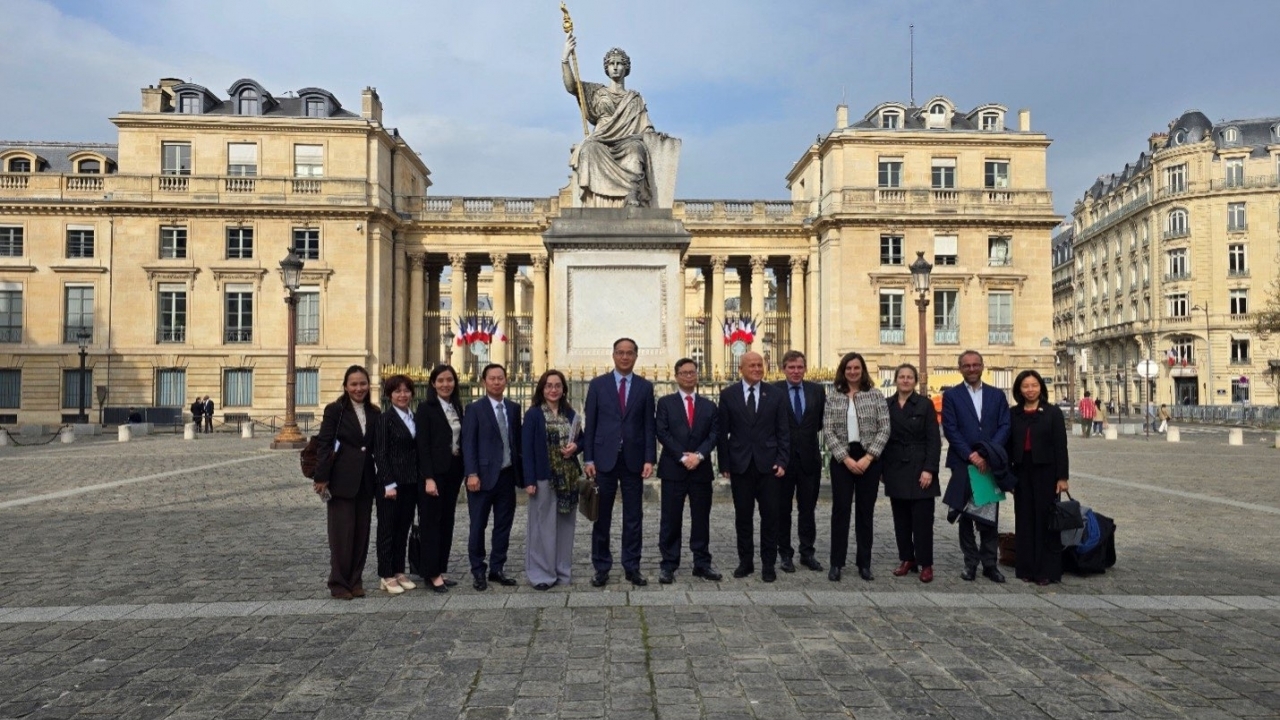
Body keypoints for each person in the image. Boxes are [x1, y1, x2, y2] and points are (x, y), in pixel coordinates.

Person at [583, 338, 656, 587]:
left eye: (629, 353)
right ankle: (601, 567)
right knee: (601, 517)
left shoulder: (645, 387)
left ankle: (632, 566)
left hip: (633, 460)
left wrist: (649, 458)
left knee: (633, 517)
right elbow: (590, 424)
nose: (625, 357)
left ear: (636, 356)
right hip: (604, 460)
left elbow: (649, 425)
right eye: (620, 353)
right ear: (613, 355)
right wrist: (588, 458)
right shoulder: (598, 385)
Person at [561, 34, 660, 207]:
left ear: (626, 68)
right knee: (589, 149)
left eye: (619, 63)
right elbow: (571, 87)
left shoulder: (634, 98)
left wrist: (657, 137)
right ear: (606, 68)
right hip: (601, 139)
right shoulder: (596, 92)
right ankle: (596, 202)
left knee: (636, 150)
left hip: (627, 141)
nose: (615, 67)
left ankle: (632, 194)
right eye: (611, 63)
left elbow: (646, 127)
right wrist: (565, 59)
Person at [717, 351, 790, 582]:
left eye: (760, 365)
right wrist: (724, 463)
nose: (757, 369)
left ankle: (768, 564)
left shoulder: (776, 394)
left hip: (769, 466)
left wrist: (782, 460)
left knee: (770, 517)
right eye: (752, 365)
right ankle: (745, 562)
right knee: (743, 517)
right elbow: (722, 432)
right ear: (741, 369)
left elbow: (783, 431)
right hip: (741, 466)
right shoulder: (728, 395)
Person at [941, 350, 1011, 583]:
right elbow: (950, 428)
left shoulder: (997, 395)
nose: (971, 369)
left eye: (975, 365)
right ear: (960, 368)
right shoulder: (952, 395)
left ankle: (990, 564)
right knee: (965, 516)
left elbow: (1005, 426)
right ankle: (970, 562)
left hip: (989, 464)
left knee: (989, 515)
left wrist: (987, 453)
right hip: (963, 463)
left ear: (982, 366)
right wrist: (971, 455)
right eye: (966, 365)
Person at [820, 352, 890, 582]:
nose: (852, 372)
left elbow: (884, 428)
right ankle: (836, 563)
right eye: (848, 368)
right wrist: (845, 458)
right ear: (843, 371)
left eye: (856, 368)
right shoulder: (834, 397)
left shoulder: (875, 395)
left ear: (863, 370)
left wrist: (869, 457)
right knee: (840, 511)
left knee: (865, 512)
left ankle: (864, 563)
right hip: (843, 459)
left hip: (869, 458)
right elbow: (828, 430)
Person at [313, 365, 380, 599]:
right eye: (354, 384)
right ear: (345, 386)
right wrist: (321, 477)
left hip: (366, 480)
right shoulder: (335, 410)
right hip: (341, 479)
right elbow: (324, 443)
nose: (359, 388)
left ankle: (355, 580)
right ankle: (339, 582)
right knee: (342, 534)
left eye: (363, 384)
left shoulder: (374, 412)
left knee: (362, 534)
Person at [655, 358, 721, 583]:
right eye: (684, 373)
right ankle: (669, 564)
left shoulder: (709, 406)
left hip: (701, 469)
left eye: (692, 372)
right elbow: (662, 432)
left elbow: (714, 434)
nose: (688, 376)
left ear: (697, 375)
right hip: (674, 468)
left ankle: (702, 563)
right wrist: (683, 457)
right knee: (671, 519)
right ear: (676, 376)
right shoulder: (665, 403)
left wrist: (699, 455)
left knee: (701, 518)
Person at [461, 363, 523, 591]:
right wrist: (472, 473)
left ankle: (497, 568)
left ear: (506, 380)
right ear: (484, 382)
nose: (497, 382)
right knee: (478, 526)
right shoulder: (475, 409)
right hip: (482, 477)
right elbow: (468, 443)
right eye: (492, 378)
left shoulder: (514, 408)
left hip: (507, 475)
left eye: (500, 378)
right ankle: (478, 570)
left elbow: (516, 442)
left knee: (503, 525)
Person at [521, 369, 584, 591]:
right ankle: (541, 574)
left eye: (557, 386)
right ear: (542, 389)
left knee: (566, 526)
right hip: (543, 477)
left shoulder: (570, 413)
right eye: (549, 386)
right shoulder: (534, 414)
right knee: (542, 527)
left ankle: (562, 571)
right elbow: (526, 449)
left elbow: (582, 438)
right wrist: (529, 480)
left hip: (568, 478)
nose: (553, 390)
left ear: (563, 389)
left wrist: (575, 447)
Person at [1007, 369, 1070, 586]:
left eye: (1034, 385)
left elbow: (1061, 446)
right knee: (1024, 519)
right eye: (1025, 386)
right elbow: (1008, 446)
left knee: (1046, 520)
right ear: (1019, 389)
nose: (1030, 390)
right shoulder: (1013, 413)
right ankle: (1026, 567)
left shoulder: (1052, 412)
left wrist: (1062, 477)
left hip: (1047, 472)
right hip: (1021, 471)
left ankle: (1046, 570)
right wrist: (1008, 476)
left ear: (1041, 388)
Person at [881, 364, 942, 584]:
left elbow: (934, 440)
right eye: (901, 377)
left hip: (920, 466)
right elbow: (881, 437)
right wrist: (882, 469)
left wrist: (929, 469)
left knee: (922, 520)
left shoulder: (925, 404)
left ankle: (926, 564)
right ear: (895, 380)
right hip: (895, 466)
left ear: (915, 381)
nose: (905, 380)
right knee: (901, 519)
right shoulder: (886, 404)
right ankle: (907, 558)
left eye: (909, 377)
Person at [773, 350, 826, 573]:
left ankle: (807, 552)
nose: (796, 371)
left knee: (807, 510)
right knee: (782, 510)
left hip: (808, 459)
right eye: (791, 367)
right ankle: (785, 553)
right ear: (783, 369)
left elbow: (819, 423)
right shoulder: (774, 390)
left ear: (805, 368)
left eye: (800, 367)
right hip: (783, 461)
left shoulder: (817, 390)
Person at [414, 364, 465, 593]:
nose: (446, 384)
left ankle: (440, 569)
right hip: (433, 475)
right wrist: (428, 477)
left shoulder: (457, 407)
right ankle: (431, 572)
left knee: (447, 522)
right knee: (431, 523)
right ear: (433, 384)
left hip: (453, 472)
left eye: (450, 380)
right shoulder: (426, 409)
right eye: (441, 380)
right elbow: (422, 446)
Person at [371, 375, 420, 595]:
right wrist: (388, 483)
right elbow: (380, 453)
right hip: (390, 484)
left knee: (403, 528)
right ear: (389, 395)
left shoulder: (414, 417)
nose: (402, 395)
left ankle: (399, 570)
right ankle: (386, 574)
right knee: (387, 529)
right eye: (397, 391)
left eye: (406, 391)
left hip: (410, 482)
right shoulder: (385, 419)